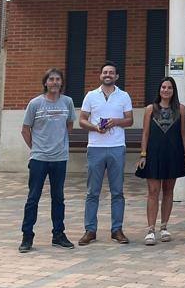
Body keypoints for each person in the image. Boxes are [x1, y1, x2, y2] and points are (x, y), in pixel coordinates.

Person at [19, 68, 76, 253]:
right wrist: (36, 149)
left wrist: (60, 145)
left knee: (58, 197)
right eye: (51, 79)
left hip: (60, 159)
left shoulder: (67, 102)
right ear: (45, 82)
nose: (54, 82)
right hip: (39, 159)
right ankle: (27, 236)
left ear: (62, 83)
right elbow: (25, 129)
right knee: (33, 198)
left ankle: (58, 235)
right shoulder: (35, 103)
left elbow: (69, 125)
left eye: (58, 79)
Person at [78, 62, 133, 246]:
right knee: (93, 191)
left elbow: (130, 120)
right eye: (105, 72)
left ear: (117, 76)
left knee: (117, 191)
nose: (107, 74)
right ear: (100, 75)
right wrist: (95, 127)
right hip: (95, 147)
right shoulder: (90, 96)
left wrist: (116, 121)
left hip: (117, 147)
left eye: (111, 72)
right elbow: (82, 120)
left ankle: (117, 229)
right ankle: (90, 230)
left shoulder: (124, 95)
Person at [137, 76, 185, 245]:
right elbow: (145, 133)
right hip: (153, 154)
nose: (166, 90)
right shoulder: (150, 109)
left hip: (173, 154)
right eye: (163, 87)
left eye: (169, 88)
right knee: (153, 191)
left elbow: (183, 133)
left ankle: (164, 226)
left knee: (168, 191)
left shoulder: (180, 109)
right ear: (159, 90)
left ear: (174, 91)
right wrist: (143, 154)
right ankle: (150, 229)